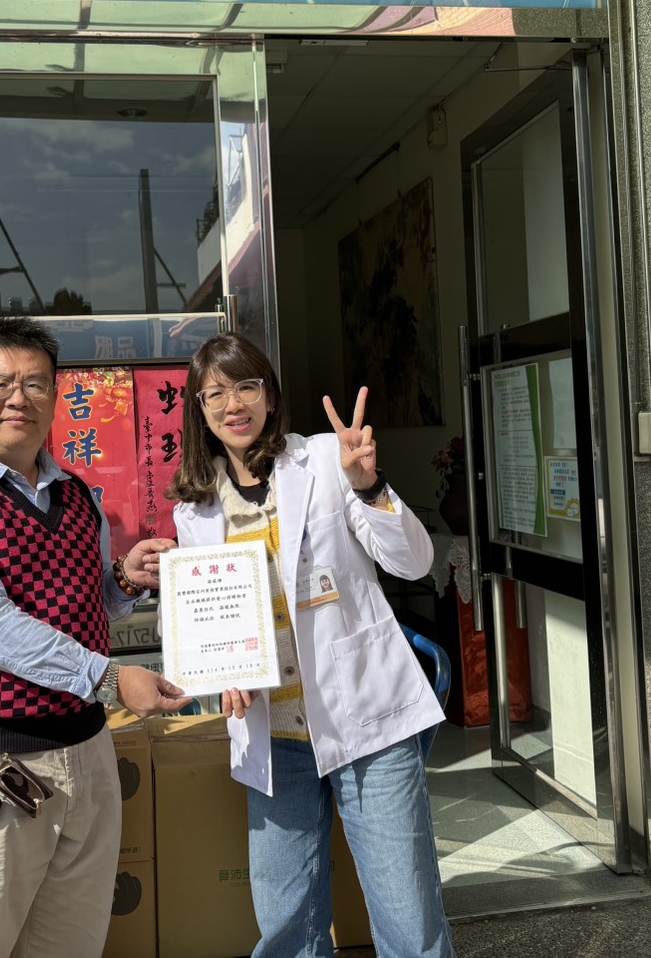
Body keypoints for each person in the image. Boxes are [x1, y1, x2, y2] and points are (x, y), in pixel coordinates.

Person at [0, 315, 190, 957]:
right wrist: (109, 677)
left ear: (55, 395)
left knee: (72, 945)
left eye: (35, 383)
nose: (17, 398)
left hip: (85, 752)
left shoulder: (77, 496)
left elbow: (79, 606)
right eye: (0, 383)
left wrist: (122, 580)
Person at [168, 333, 454, 958]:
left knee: (407, 914)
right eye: (215, 394)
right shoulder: (195, 510)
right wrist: (222, 674)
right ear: (199, 410)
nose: (233, 404)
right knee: (286, 923)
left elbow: (414, 563)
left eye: (246, 386)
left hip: (367, 721)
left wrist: (369, 489)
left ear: (269, 395)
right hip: (275, 736)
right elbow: (211, 621)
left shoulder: (325, 460)